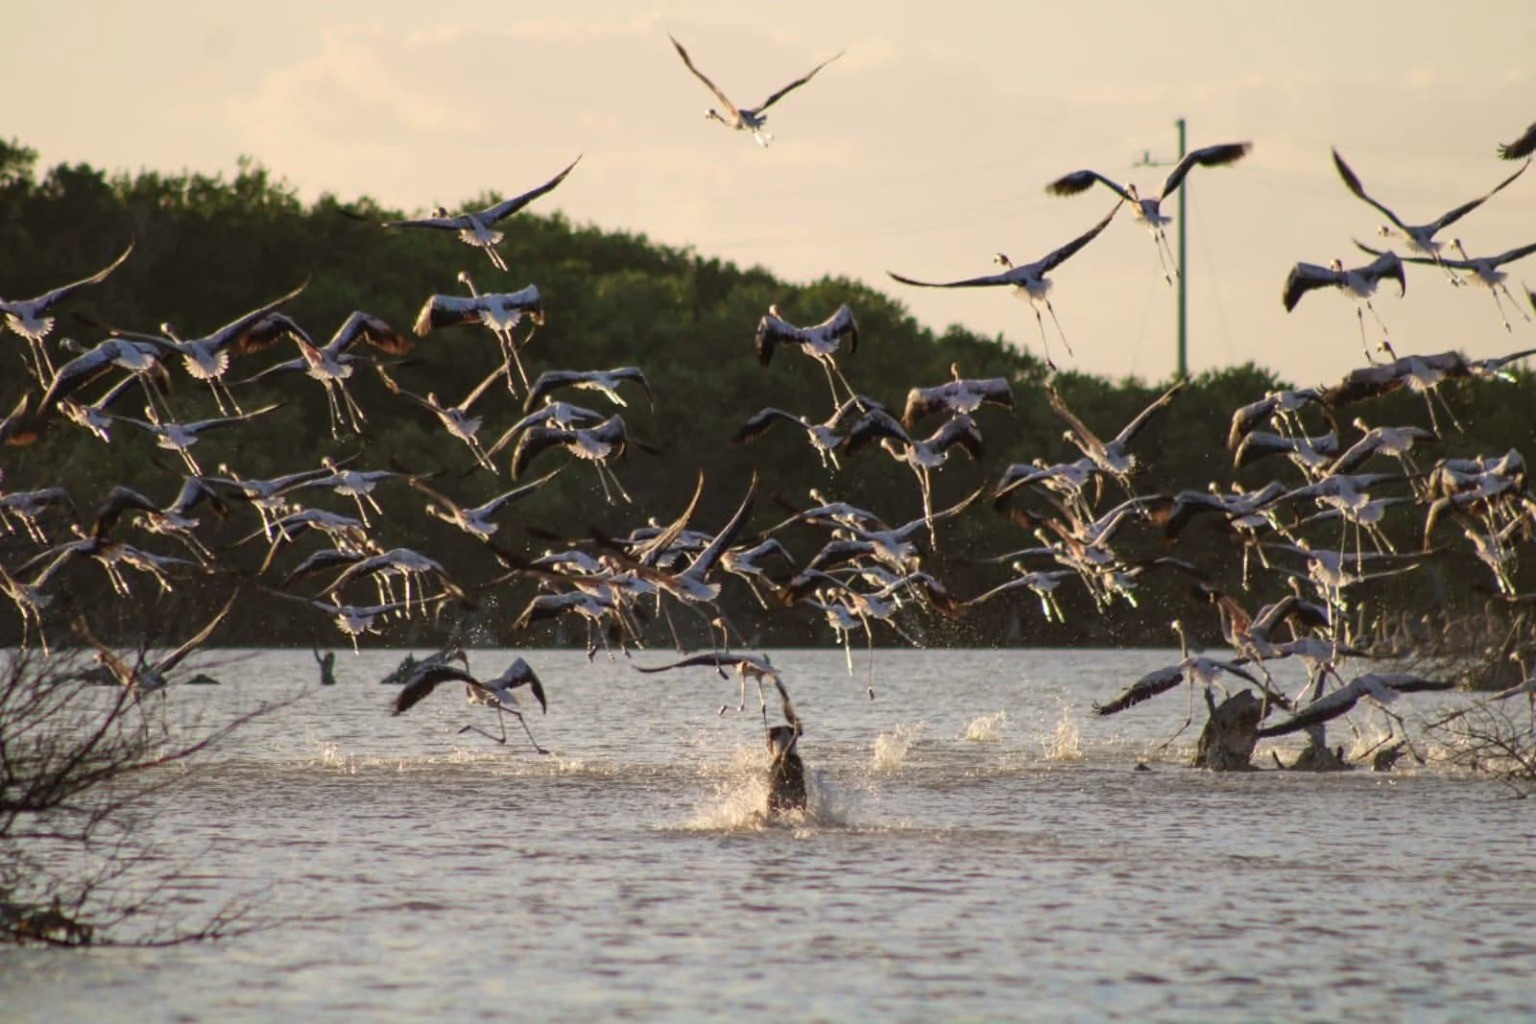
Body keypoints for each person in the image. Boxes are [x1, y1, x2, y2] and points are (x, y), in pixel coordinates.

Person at [765, 722, 806, 815]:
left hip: (778, 764)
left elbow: (770, 749)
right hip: (794, 763)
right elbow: (800, 731)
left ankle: (770, 819)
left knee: (774, 795)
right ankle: (802, 817)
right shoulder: (791, 731)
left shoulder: (773, 732)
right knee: (799, 795)